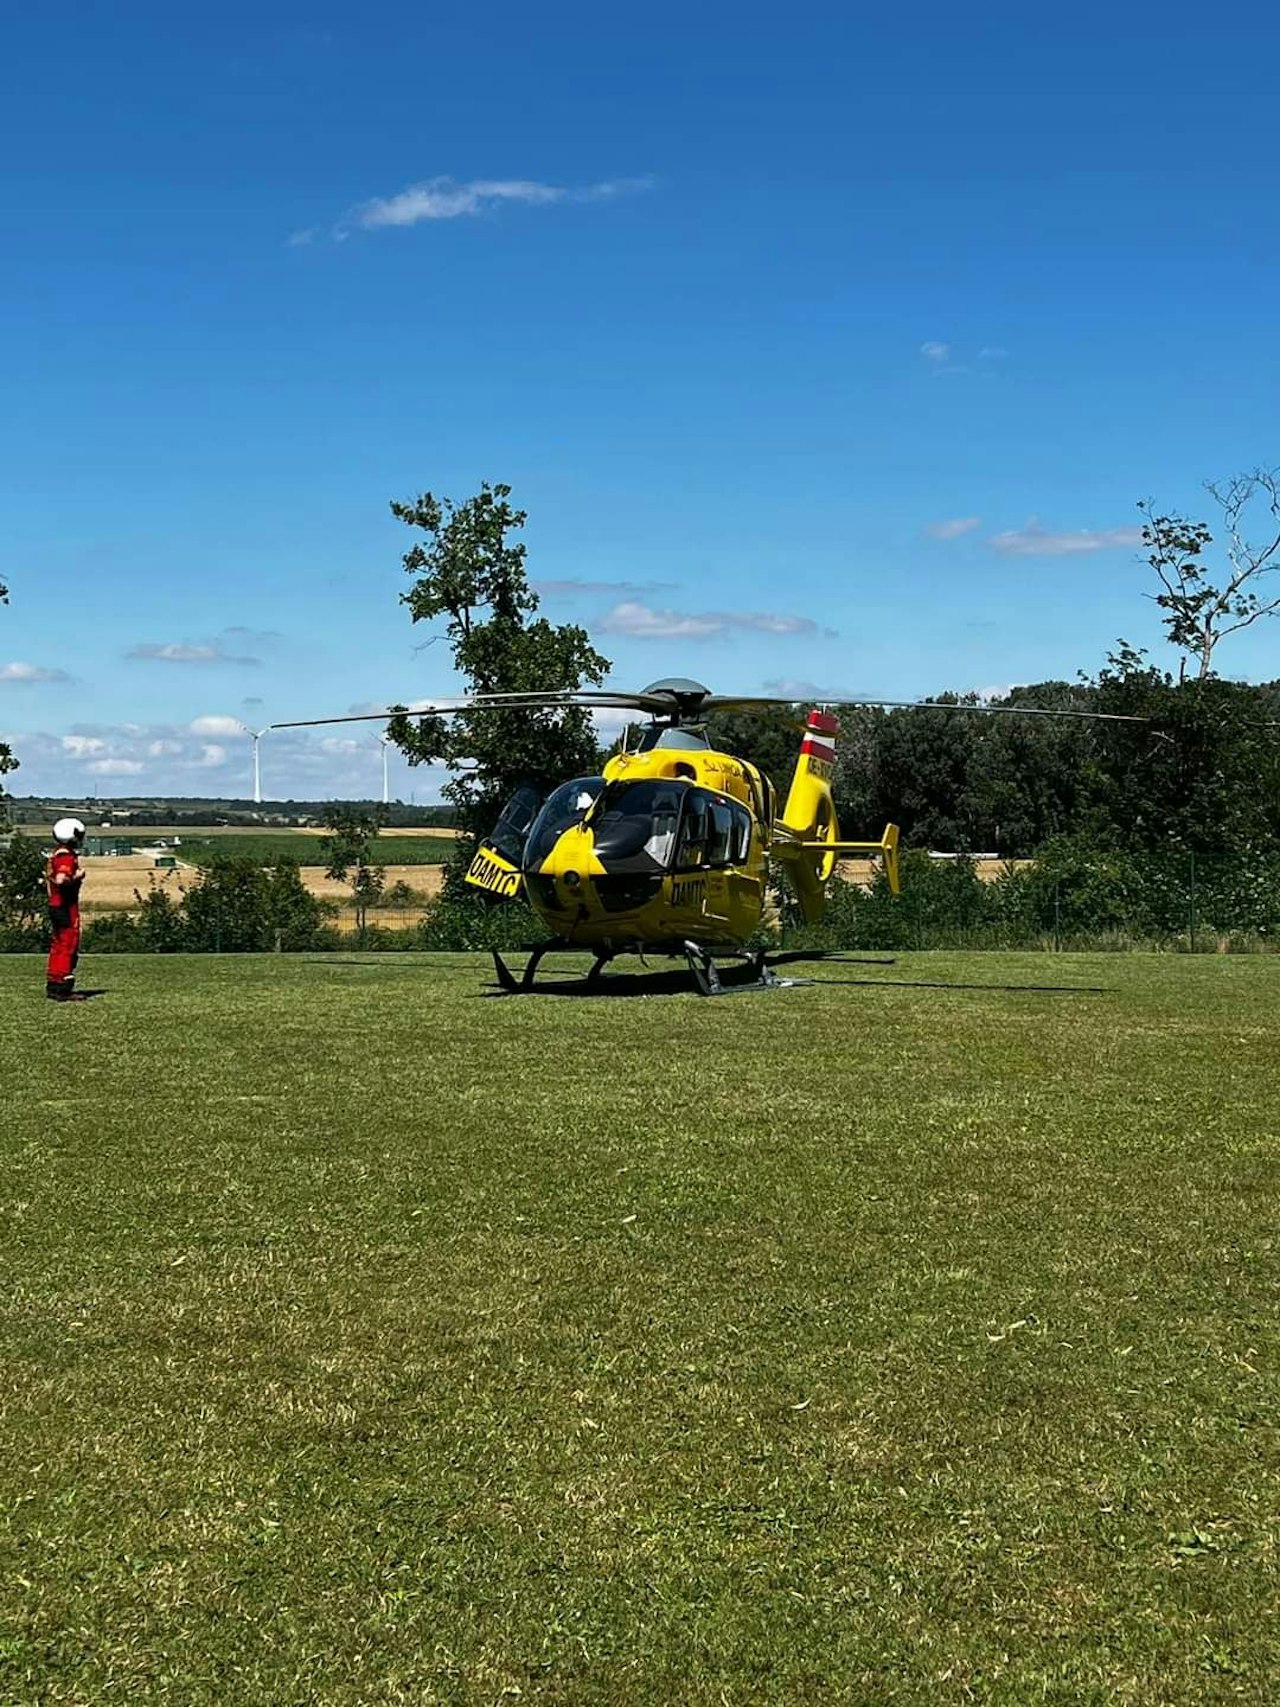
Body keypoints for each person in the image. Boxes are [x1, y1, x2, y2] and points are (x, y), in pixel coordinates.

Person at [46, 817, 87, 1001]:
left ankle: (54, 983)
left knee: (58, 943)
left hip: (55, 904)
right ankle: (63, 986)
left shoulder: (56, 853)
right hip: (65, 906)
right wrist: (77, 876)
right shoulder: (66, 856)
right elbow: (62, 879)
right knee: (67, 943)